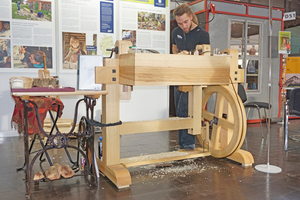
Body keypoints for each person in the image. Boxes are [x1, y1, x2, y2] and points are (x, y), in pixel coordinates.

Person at [172, 3, 210, 151]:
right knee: (179, 111)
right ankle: (183, 144)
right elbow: (174, 50)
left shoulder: (202, 34)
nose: (183, 26)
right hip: (178, 75)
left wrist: (191, 56)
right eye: (180, 23)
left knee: (186, 110)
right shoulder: (176, 32)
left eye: (185, 22)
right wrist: (179, 55)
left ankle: (188, 144)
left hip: (194, 78)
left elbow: (205, 57)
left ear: (191, 17)